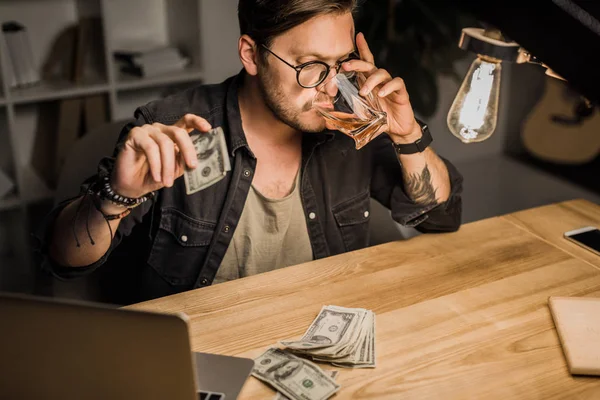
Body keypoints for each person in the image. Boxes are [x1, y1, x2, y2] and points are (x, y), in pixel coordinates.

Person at [35, 0, 463, 305]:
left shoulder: (349, 123)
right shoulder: (172, 126)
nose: (332, 87)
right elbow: (64, 262)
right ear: (251, 54)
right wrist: (117, 194)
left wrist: (407, 135)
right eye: (311, 65)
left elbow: (441, 217)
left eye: (341, 62)